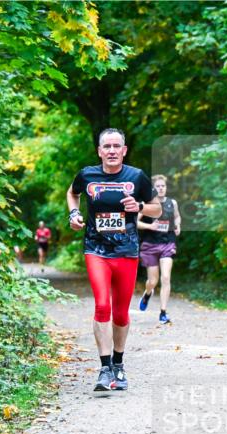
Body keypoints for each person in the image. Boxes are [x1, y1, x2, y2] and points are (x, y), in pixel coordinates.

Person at [67, 128, 161, 394]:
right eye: (106, 146)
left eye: (115, 146)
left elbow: (157, 208)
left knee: (120, 313)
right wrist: (73, 214)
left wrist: (140, 208)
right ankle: (104, 367)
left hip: (127, 251)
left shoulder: (136, 177)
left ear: (124, 150)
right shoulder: (87, 175)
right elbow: (72, 193)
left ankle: (119, 365)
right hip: (96, 249)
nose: (111, 151)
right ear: (99, 151)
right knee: (102, 305)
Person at [137, 175, 182, 323]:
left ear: (166, 187)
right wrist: (150, 226)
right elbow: (135, 222)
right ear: (154, 189)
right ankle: (148, 293)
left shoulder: (172, 203)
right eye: (158, 186)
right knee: (152, 281)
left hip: (167, 244)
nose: (161, 188)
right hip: (150, 245)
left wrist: (177, 226)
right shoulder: (147, 204)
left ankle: (163, 312)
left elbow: (176, 217)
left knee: (166, 277)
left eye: (163, 186)